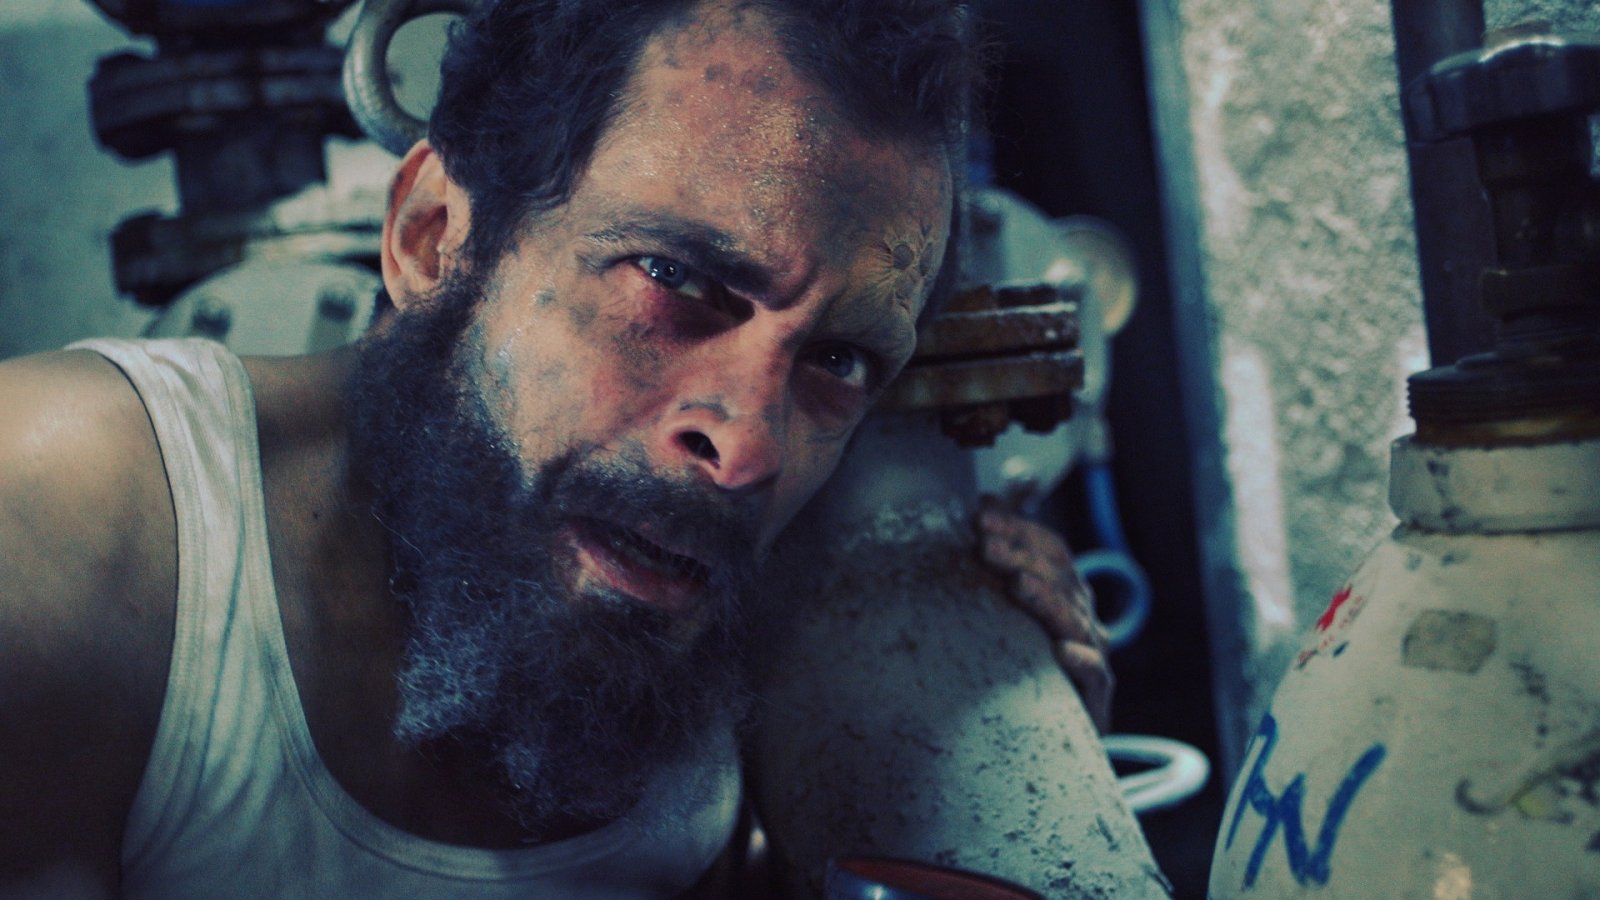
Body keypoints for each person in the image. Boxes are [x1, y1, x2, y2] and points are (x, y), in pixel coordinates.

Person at [0, 0, 1111, 895]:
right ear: (434, 235)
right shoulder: (67, 512)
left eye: (839, 358)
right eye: (674, 279)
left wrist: (986, 751)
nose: (747, 446)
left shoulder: (712, 608)